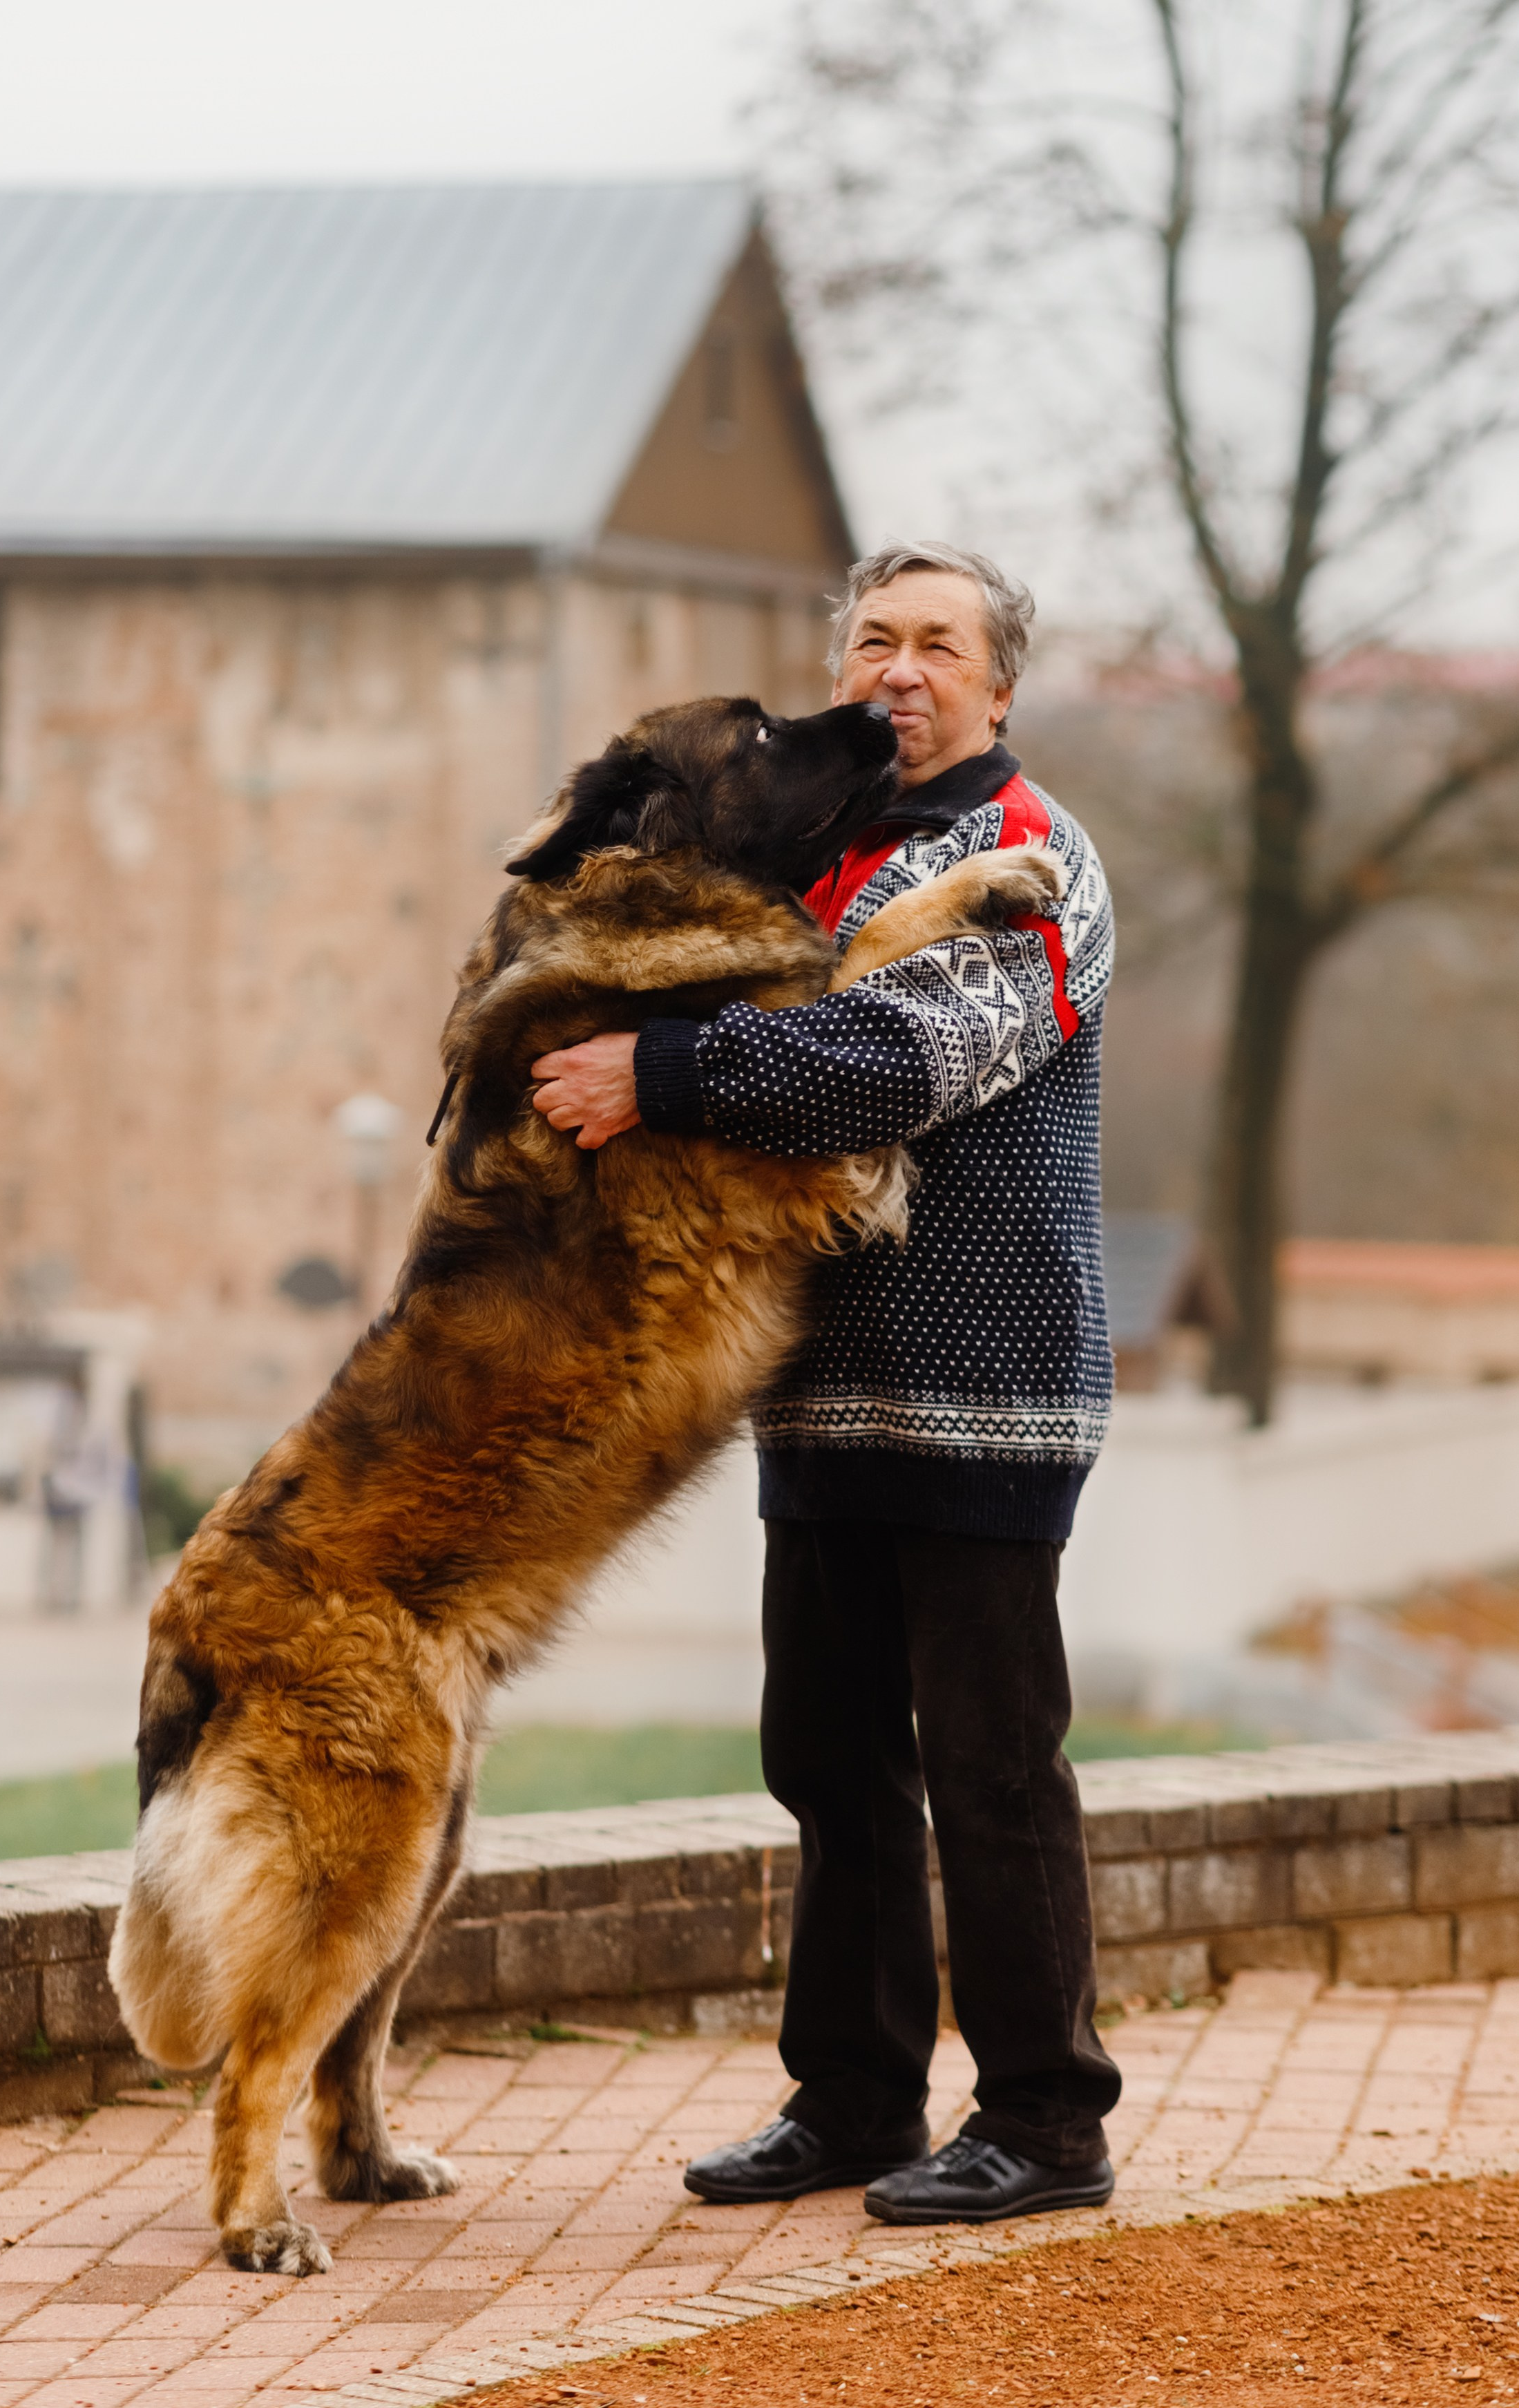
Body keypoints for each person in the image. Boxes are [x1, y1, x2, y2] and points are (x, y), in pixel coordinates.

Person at [530, 542, 1120, 2226]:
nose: (899, 672)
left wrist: (664, 1069)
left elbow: (901, 1056)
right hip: (818, 1392)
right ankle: (855, 2097)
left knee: (994, 1769)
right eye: (874, 640)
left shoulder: (1033, 857)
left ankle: (1048, 2122)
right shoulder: (820, 854)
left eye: (939, 646)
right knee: (829, 1756)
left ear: (998, 687)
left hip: (989, 1386)